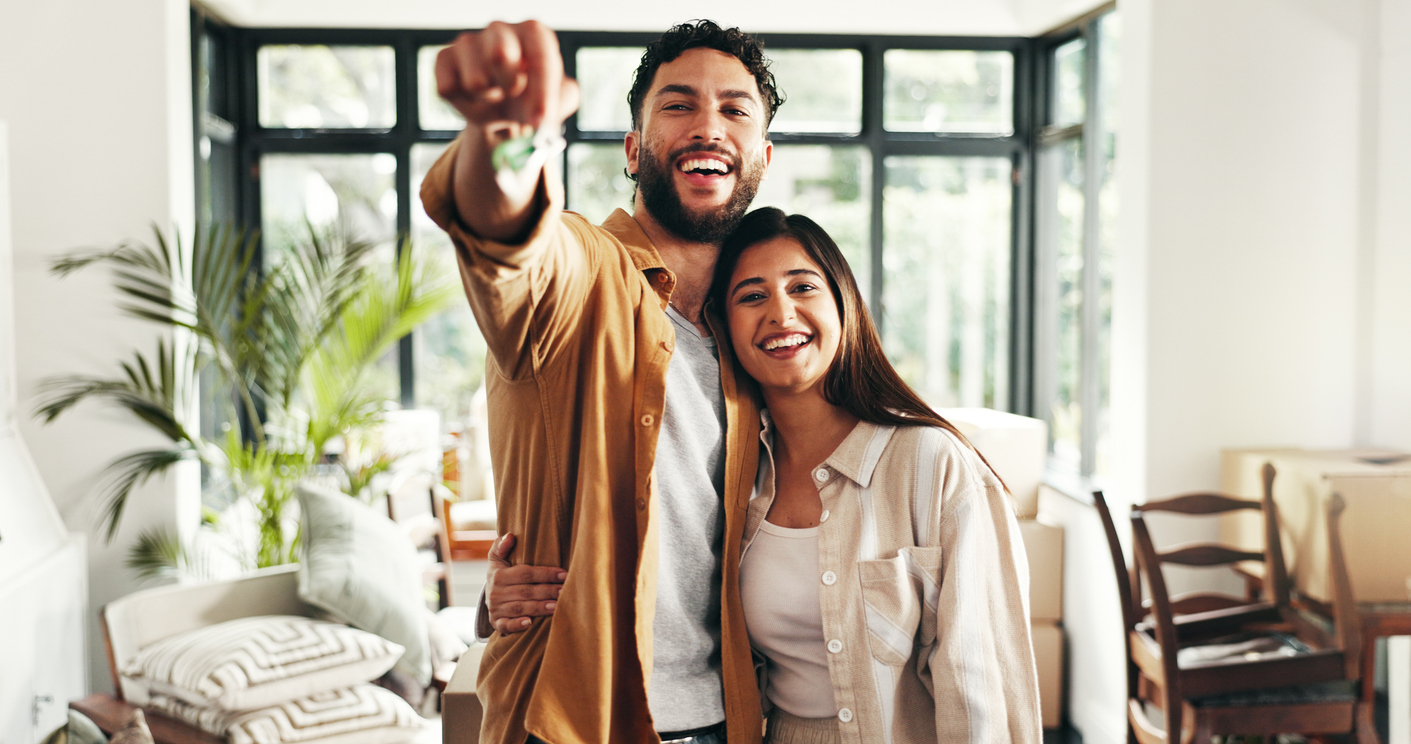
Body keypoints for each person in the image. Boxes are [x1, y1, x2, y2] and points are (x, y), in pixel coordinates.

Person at [424, 18, 783, 744]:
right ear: (633, 148)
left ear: (762, 157)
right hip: (572, 723)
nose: (708, 126)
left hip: (727, 719)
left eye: (734, 109)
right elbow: (509, 235)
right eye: (678, 105)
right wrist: (509, 137)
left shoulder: (752, 336)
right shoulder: (580, 273)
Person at [714, 207, 1042, 742]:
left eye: (803, 287)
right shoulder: (736, 477)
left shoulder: (930, 462)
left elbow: (982, 683)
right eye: (752, 296)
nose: (781, 313)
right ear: (724, 326)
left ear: (843, 303)